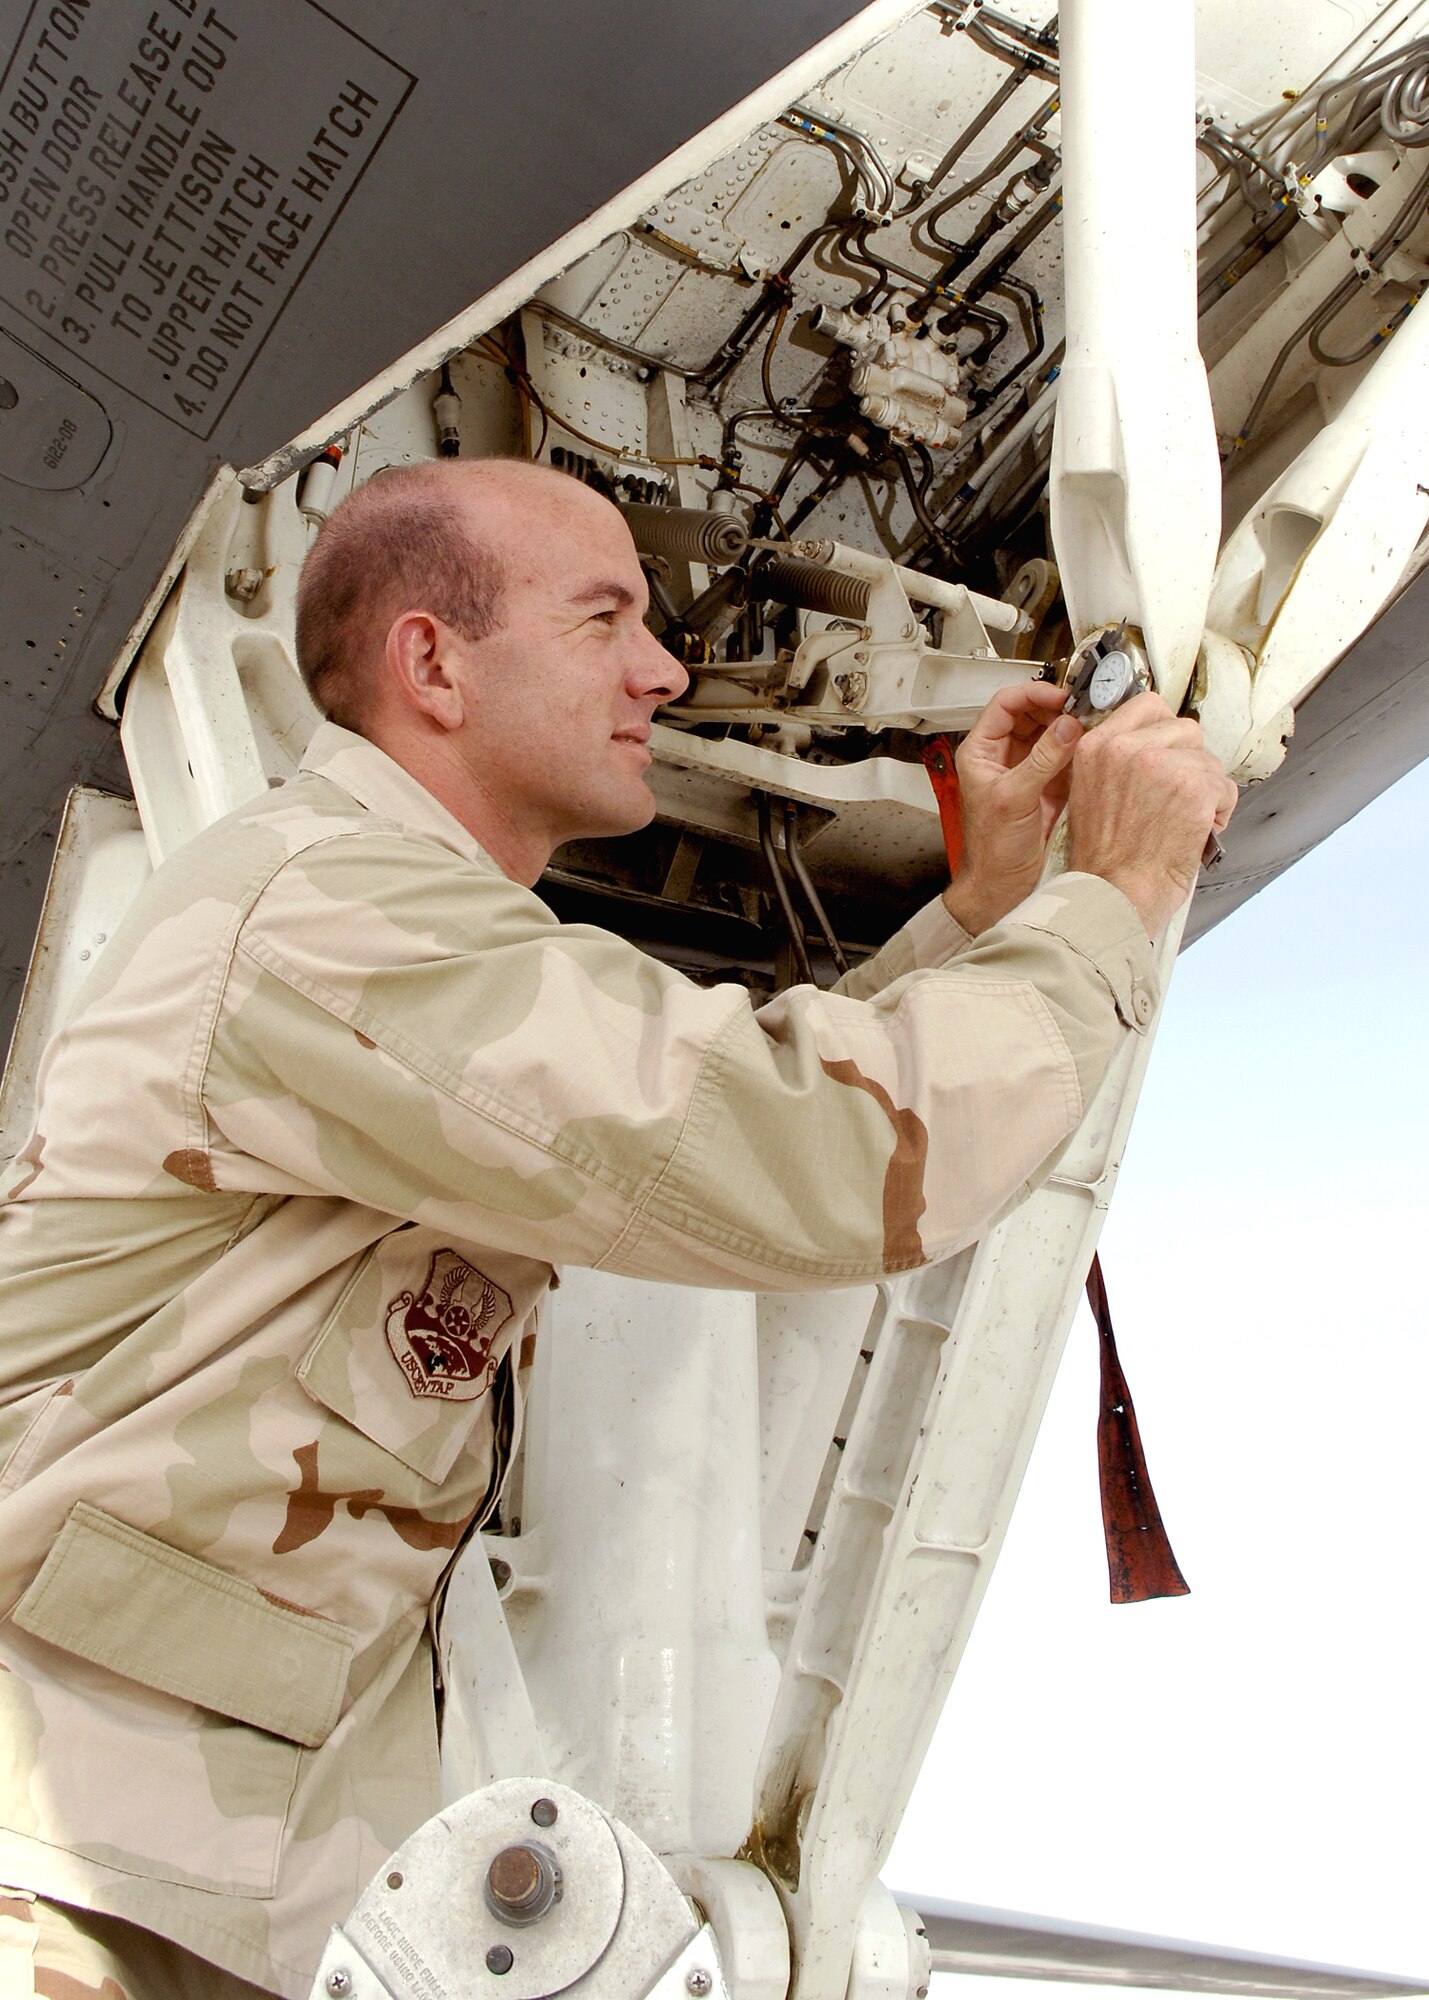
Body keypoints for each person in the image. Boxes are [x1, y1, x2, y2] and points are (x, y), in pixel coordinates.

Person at [0, 458, 1235, 1998]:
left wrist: (983, 911)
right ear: (431, 665)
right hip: (70, 1875)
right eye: (602, 620)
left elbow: (692, 1120)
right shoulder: (330, 914)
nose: (663, 669)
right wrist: (1111, 895)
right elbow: (804, 1155)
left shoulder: (387, 919)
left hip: (185, 1868)